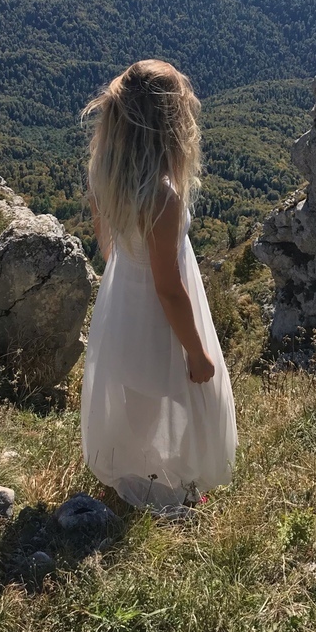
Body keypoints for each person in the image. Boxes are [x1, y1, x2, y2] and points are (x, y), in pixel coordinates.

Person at [80, 59, 237, 513]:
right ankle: (168, 492)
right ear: (170, 123)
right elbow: (169, 288)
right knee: (186, 390)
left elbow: (108, 251)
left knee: (139, 395)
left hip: (122, 302)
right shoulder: (163, 195)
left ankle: (138, 478)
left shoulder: (105, 173)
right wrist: (196, 350)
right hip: (157, 313)